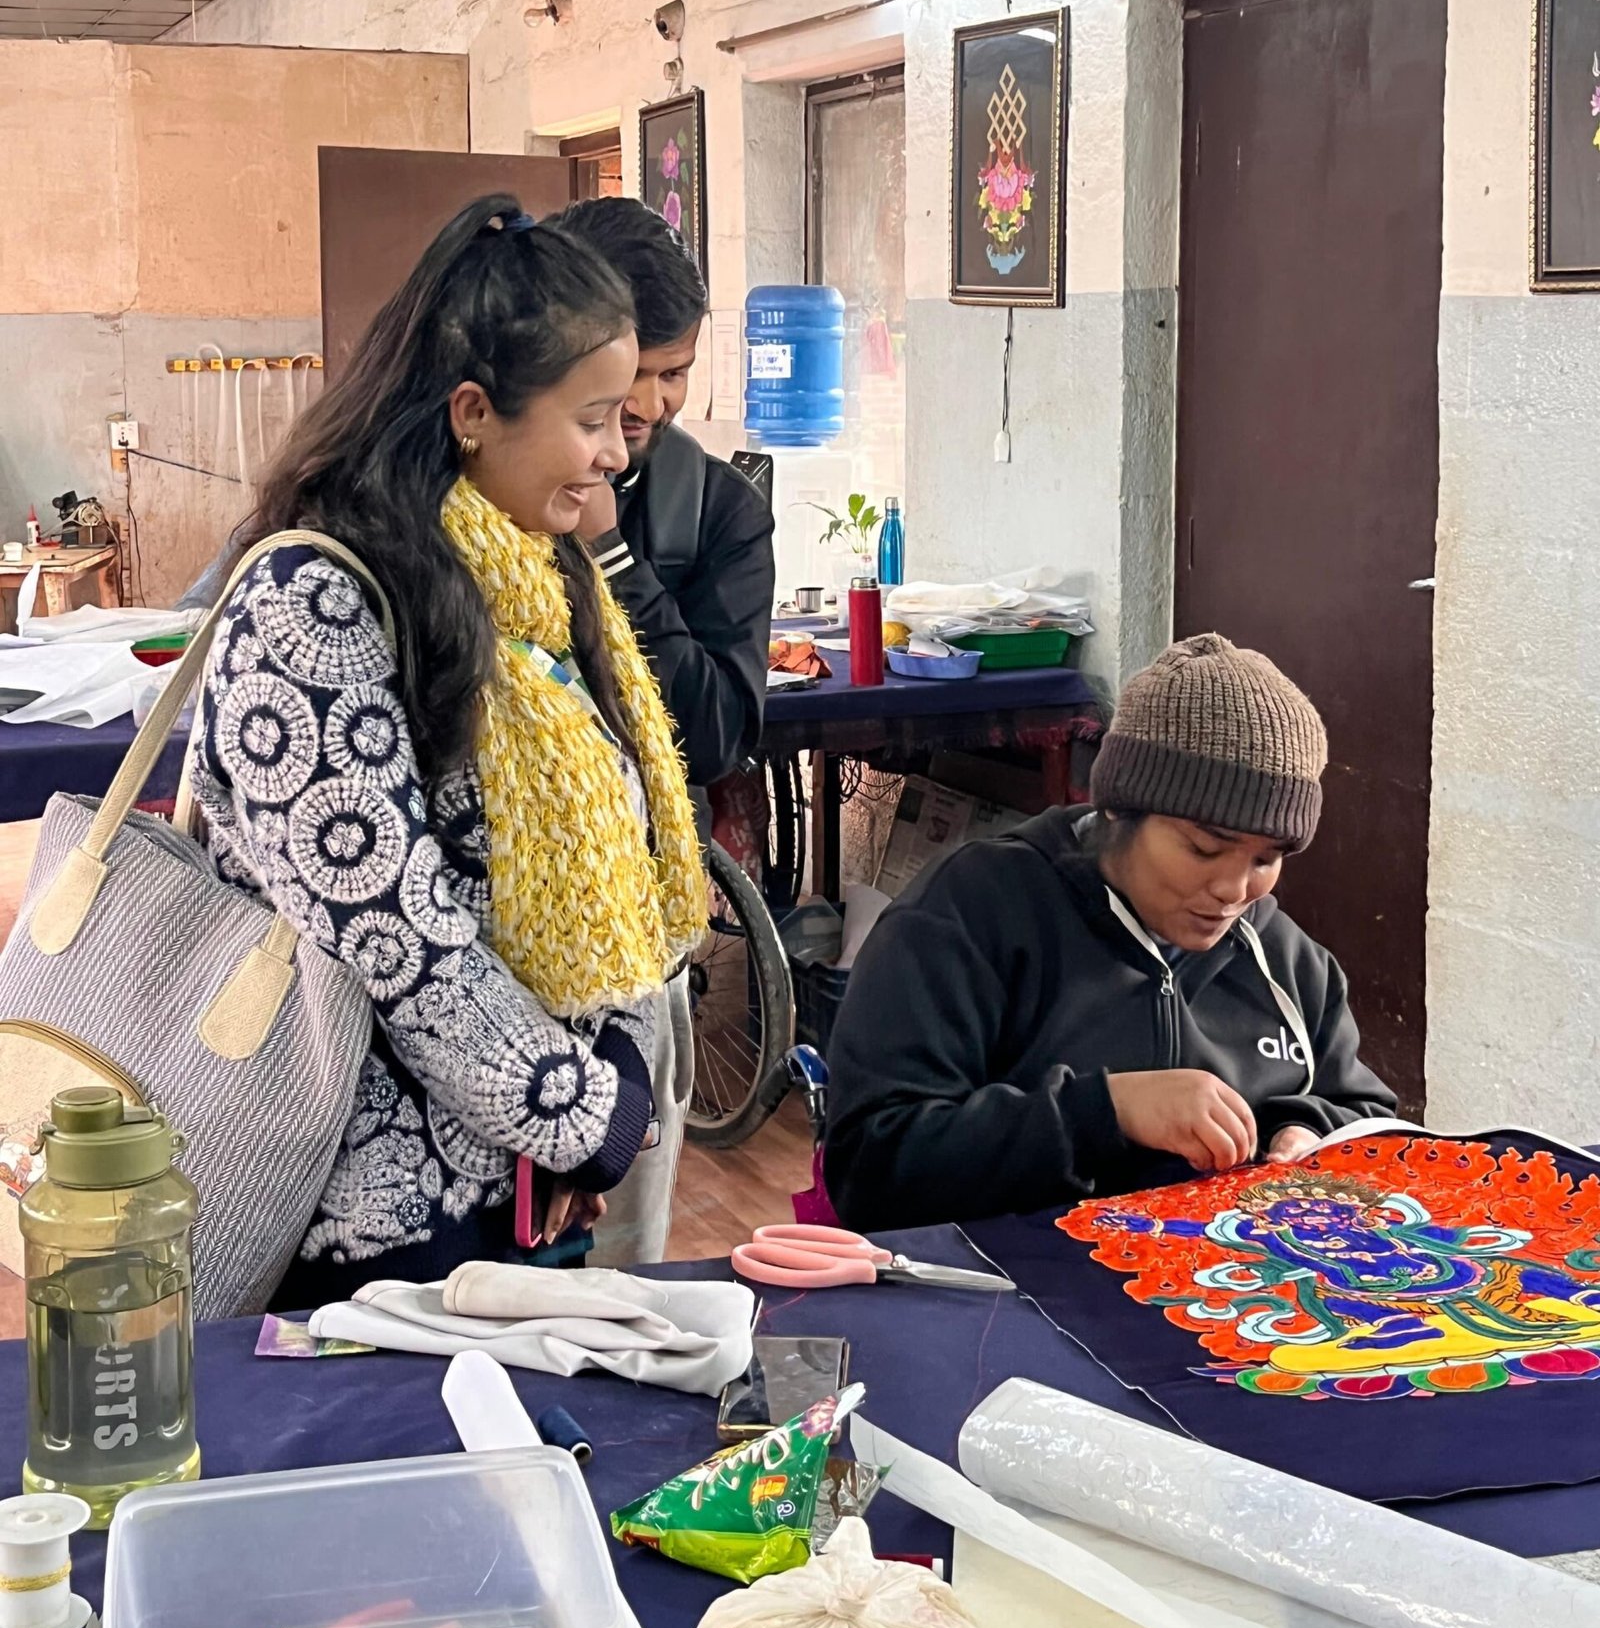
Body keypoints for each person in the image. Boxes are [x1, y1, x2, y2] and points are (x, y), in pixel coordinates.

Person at [187, 196, 705, 1305]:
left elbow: (614, 846)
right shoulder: (313, 601)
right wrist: (583, 1110)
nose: (617, 451)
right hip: (358, 1226)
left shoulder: (536, 576)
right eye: (593, 417)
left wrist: (609, 1062)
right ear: (473, 411)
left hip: (522, 1191)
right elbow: (396, 935)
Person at [823, 634, 1397, 1233]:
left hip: (1229, 1281)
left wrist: (1306, 1130)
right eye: (1204, 848)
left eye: (1265, 859)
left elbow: (1367, 1115)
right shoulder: (971, 916)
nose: (1234, 890)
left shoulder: (1287, 963)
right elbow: (870, 1166)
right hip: (1010, 1282)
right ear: (1120, 808)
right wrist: (1104, 1113)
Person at [557, 198, 776, 789]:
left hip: (656, 837)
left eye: (673, 374)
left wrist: (611, 558)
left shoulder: (722, 512)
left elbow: (713, 743)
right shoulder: (485, 495)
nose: (650, 406)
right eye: (630, 375)